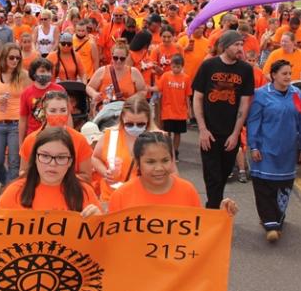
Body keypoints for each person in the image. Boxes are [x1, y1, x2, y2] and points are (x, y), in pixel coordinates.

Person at [246, 59, 301, 242]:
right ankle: (270, 223)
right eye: (284, 74)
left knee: (283, 187)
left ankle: (276, 220)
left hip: (287, 151)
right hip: (265, 150)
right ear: (273, 75)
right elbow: (254, 122)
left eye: (289, 74)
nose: (287, 77)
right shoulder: (261, 95)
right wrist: (253, 146)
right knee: (264, 187)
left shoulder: (296, 94)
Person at [192, 30, 255, 209]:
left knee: (225, 172)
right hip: (209, 132)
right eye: (236, 45)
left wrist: (236, 134)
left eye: (241, 45)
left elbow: (244, 103)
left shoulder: (245, 70)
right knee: (213, 176)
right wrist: (202, 129)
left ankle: (214, 205)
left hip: (230, 134)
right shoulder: (208, 66)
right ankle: (213, 210)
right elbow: (197, 98)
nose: (240, 48)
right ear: (225, 46)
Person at [108, 131, 239, 215]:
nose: (159, 168)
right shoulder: (121, 196)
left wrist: (221, 217)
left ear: (172, 159)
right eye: (150, 162)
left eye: (165, 160)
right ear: (137, 162)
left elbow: (199, 234)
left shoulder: (187, 191)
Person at [0, 126, 101, 217]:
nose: (52, 164)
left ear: (70, 162)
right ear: (35, 159)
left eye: (61, 157)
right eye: (45, 156)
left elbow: (101, 238)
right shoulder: (14, 193)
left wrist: (98, 221)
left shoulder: (85, 193)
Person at [91, 95, 159, 201]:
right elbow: (95, 158)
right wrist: (105, 172)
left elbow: (172, 173)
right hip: (111, 199)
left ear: (149, 120)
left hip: (144, 200)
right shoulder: (111, 135)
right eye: (129, 124)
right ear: (122, 118)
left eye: (140, 124)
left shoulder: (159, 139)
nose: (135, 127)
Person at [0, 43, 30, 188]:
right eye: (11, 57)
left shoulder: (23, 75)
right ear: (4, 58)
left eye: (17, 58)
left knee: (15, 162)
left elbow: (30, 98)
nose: (15, 61)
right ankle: (7, 184)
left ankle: (10, 191)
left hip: (17, 123)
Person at [19, 91, 93, 182]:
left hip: (70, 192)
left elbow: (86, 176)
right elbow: (23, 173)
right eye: (53, 111)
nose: (58, 115)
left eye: (63, 110)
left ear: (69, 111)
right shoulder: (31, 140)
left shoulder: (79, 140)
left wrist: (59, 178)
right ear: (45, 112)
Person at [151, 54, 192, 161]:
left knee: (177, 133)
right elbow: (158, 88)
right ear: (171, 66)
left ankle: (175, 151)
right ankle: (168, 150)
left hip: (180, 111)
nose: (176, 69)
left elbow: (188, 95)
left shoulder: (186, 78)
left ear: (182, 66)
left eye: (178, 67)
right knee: (167, 132)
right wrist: (147, 88)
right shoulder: (166, 76)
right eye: (174, 66)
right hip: (167, 110)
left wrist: (189, 110)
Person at [86, 42, 147, 109]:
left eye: (122, 59)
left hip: (126, 111)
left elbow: (143, 91)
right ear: (112, 56)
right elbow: (89, 87)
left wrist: (132, 99)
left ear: (126, 57)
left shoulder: (133, 72)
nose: (118, 61)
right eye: (115, 58)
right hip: (105, 110)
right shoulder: (102, 71)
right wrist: (94, 94)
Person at [19, 58, 65, 140]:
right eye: (42, 71)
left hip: (56, 134)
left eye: (48, 71)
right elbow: (23, 120)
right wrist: (21, 143)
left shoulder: (59, 89)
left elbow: (67, 115)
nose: (46, 74)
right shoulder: (26, 93)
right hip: (34, 136)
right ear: (34, 73)